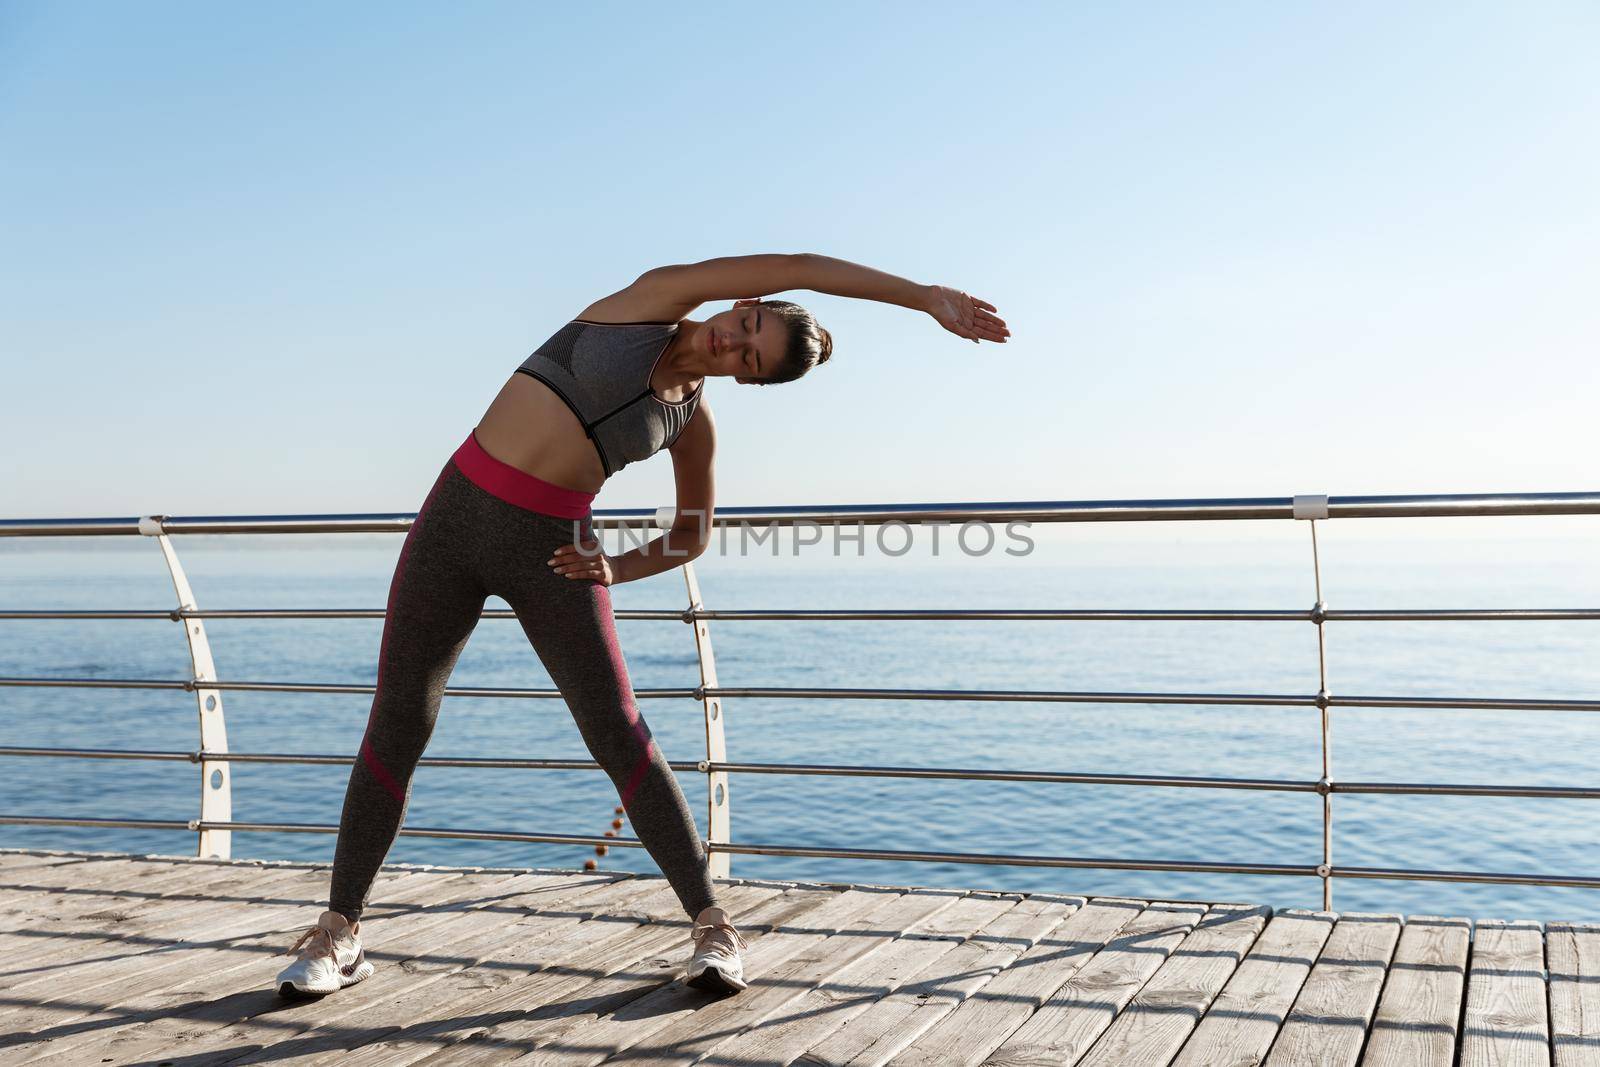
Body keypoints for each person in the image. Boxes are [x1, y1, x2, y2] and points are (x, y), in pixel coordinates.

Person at [273, 252, 1010, 998]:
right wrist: (922, 298)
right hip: (453, 523)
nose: (734, 342)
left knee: (617, 728)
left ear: (749, 379)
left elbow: (694, 532)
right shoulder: (651, 302)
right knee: (401, 717)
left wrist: (614, 567)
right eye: (746, 323)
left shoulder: (691, 422)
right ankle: (340, 931)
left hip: (552, 551)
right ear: (744, 300)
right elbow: (802, 264)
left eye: (750, 358)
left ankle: (713, 927)